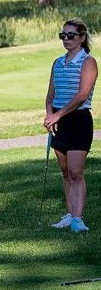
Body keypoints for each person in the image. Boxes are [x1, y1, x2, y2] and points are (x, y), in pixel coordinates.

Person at [43, 18, 96, 233]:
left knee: (76, 172)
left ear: (82, 38)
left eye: (70, 35)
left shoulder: (88, 62)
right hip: (58, 120)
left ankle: (78, 219)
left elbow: (82, 95)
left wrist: (58, 115)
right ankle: (69, 213)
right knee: (65, 172)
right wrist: (50, 116)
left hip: (78, 120)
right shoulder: (57, 62)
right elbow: (50, 96)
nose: (66, 39)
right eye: (62, 35)